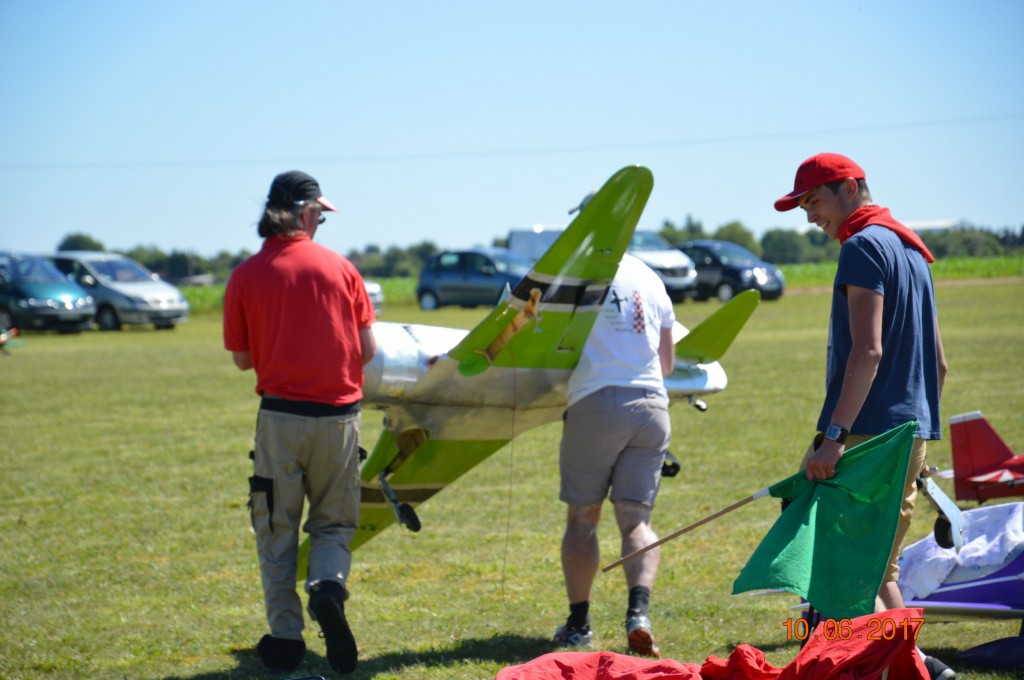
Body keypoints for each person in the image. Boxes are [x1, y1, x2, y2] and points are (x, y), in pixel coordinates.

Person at [774, 153, 954, 680]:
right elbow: (938, 365)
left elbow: (867, 351)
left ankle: (878, 666)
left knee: (847, 570)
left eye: (815, 200)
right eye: (803, 206)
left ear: (851, 188)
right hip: (908, 430)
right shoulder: (911, 250)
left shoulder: (861, 247)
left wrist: (834, 437)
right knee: (879, 567)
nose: (810, 216)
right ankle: (918, 667)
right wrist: (917, 434)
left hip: (869, 435)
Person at [223, 170, 377, 674]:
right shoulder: (342, 270)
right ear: (307, 212)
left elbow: (243, 359)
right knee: (333, 523)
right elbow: (368, 349)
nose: (322, 223)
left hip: (280, 419)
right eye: (321, 216)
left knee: (276, 528)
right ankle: (328, 587)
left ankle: (286, 639)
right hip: (339, 419)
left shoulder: (245, 275)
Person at [553, 252, 676, 658]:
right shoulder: (652, 278)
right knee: (636, 520)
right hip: (653, 406)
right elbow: (667, 363)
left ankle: (578, 625)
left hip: (597, 403)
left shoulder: (572, 272)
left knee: (583, 516)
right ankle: (638, 615)